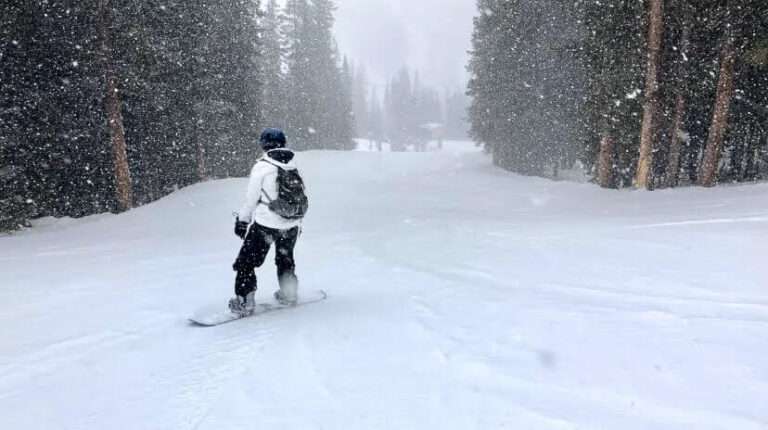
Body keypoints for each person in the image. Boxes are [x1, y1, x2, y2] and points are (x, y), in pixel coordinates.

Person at [229, 128, 305, 315]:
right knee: (285, 259)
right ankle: (289, 294)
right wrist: (297, 223)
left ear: (264, 144)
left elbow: (251, 198)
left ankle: (244, 301)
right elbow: (300, 196)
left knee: (246, 261)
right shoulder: (293, 165)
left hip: (267, 225)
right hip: (291, 224)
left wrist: (243, 220)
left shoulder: (262, 166)